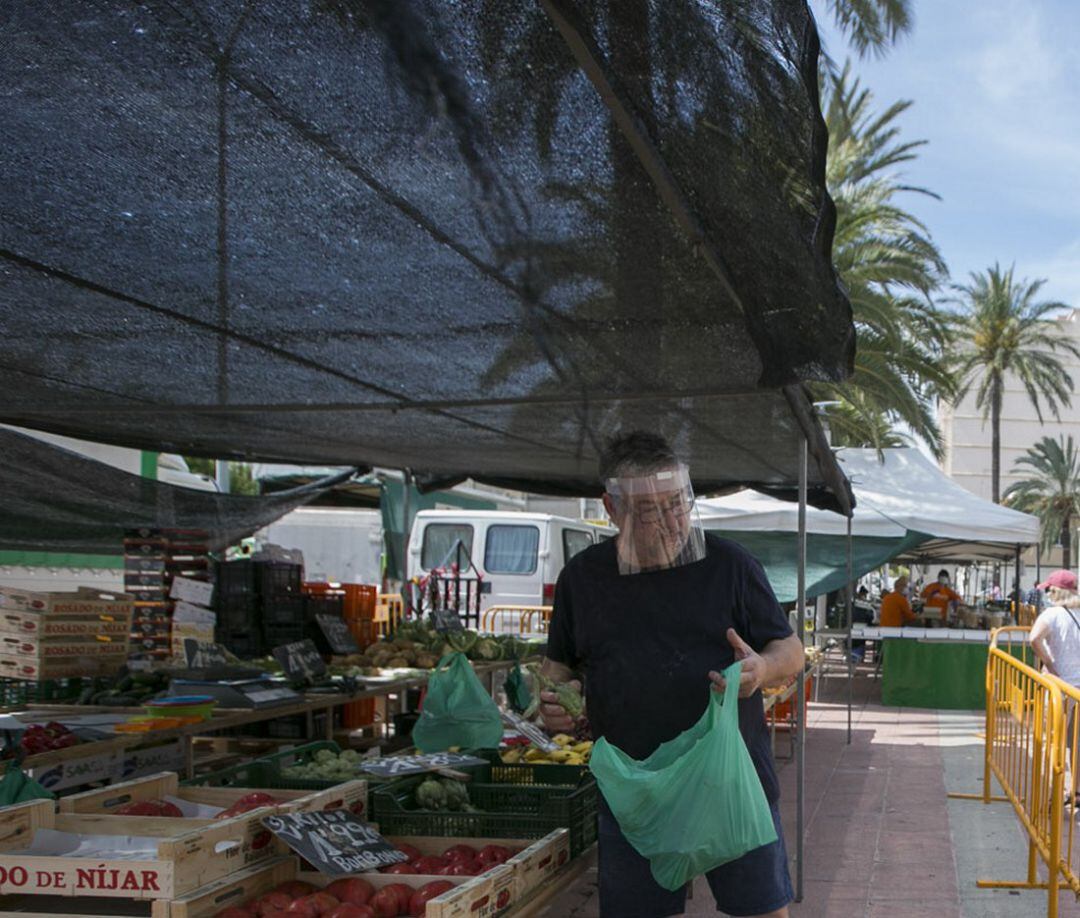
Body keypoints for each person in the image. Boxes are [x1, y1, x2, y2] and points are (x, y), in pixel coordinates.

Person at [538, 431, 803, 918]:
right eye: (648, 510)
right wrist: (556, 700)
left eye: (678, 504)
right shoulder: (583, 579)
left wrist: (762, 668)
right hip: (635, 791)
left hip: (730, 782)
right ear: (611, 509)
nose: (670, 523)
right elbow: (557, 669)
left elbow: (791, 648)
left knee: (761, 910)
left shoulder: (731, 565)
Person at [1029, 570, 1080, 799]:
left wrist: (1049, 665)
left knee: (1053, 741)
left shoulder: (1051, 614)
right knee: (1076, 743)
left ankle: (1052, 793)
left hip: (1061, 687)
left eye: (1049, 589)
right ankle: (1075, 791)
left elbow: (1034, 639)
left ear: (1057, 591)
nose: (1047, 593)